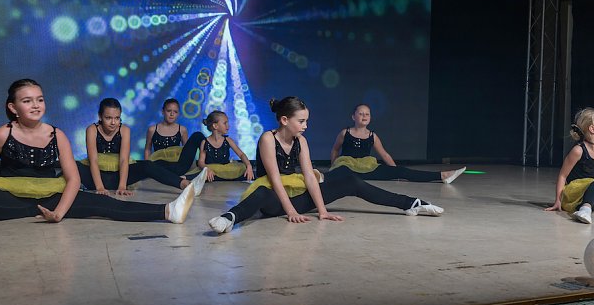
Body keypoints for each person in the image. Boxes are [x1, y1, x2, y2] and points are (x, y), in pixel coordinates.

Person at [0, 79, 199, 239]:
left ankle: (168, 211)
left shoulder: (57, 135)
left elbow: (72, 179)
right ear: (13, 107)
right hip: (10, 197)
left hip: (51, 197)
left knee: (104, 205)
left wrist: (59, 212)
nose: (35, 105)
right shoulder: (3, 133)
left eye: (40, 99)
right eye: (27, 100)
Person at [208, 97, 444, 234]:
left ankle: (409, 203)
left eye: (307, 121)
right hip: (275, 199)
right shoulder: (268, 139)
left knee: (350, 181)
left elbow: (310, 177)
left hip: (299, 196)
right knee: (260, 193)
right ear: (284, 120)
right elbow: (275, 179)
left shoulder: (301, 141)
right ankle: (229, 217)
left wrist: (322, 211)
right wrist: (291, 212)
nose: (305, 126)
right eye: (301, 121)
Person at [78, 98, 206, 195]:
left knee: (147, 165)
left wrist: (122, 186)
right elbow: (93, 160)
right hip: (97, 176)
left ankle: (184, 184)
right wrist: (100, 187)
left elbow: (123, 160)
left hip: (118, 175)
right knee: (75, 165)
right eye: (108, 118)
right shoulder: (92, 129)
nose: (113, 122)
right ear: (100, 116)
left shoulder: (124, 130)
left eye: (117, 118)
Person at [329, 104, 465, 183]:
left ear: (370, 117)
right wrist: (333, 165)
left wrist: (395, 171)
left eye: (367, 114)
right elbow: (335, 150)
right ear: (353, 116)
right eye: (360, 113)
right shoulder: (345, 132)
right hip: (348, 168)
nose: (364, 116)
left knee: (401, 170)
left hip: (367, 168)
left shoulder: (372, 136)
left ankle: (442, 176)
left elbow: (385, 155)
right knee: (338, 174)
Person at [144, 98, 206, 177]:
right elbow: (147, 149)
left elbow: (187, 152)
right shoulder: (152, 129)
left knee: (198, 135)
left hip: (178, 165)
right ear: (163, 111)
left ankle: (206, 164)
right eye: (169, 111)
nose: (172, 114)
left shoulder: (182, 129)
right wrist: (147, 167)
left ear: (178, 114)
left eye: (175, 112)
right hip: (159, 165)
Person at [197, 111, 254, 182]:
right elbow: (201, 162)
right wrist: (206, 169)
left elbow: (241, 154)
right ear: (215, 126)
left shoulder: (228, 140)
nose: (228, 126)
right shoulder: (205, 142)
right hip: (211, 170)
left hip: (226, 170)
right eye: (225, 123)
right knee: (200, 175)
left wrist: (249, 165)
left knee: (245, 172)